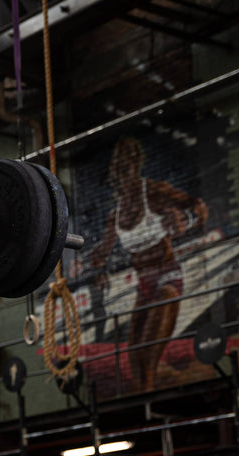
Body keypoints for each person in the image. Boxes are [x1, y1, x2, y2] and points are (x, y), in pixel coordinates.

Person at [86, 136, 208, 393]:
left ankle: (150, 407)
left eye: (130, 163)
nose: (125, 170)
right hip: (144, 285)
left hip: (166, 279)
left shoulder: (154, 192)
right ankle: (146, 408)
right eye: (120, 165)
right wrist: (83, 263)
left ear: (137, 164)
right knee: (134, 355)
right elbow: (101, 253)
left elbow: (198, 208)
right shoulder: (114, 216)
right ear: (115, 172)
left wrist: (187, 219)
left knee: (148, 356)